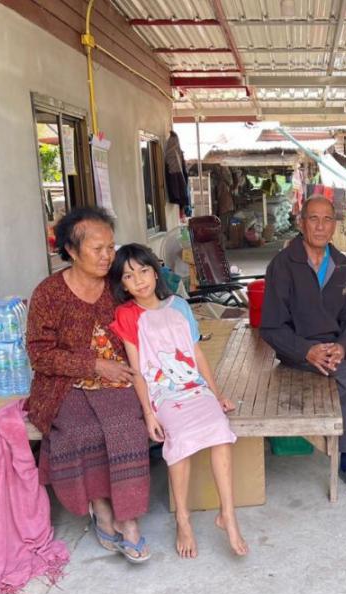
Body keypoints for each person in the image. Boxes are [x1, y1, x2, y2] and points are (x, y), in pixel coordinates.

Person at [26, 207, 151, 564]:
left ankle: (128, 519)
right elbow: (39, 354)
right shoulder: (49, 293)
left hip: (119, 378)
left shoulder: (118, 284)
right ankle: (102, 508)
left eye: (111, 247)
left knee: (126, 425)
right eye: (97, 249)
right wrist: (94, 365)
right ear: (71, 249)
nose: (107, 256)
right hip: (64, 383)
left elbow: (150, 310)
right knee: (81, 430)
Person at [108, 244, 248, 558]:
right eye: (129, 276)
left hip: (195, 388)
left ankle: (228, 514)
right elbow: (136, 370)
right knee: (180, 439)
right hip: (163, 395)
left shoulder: (180, 306)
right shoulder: (127, 315)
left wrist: (216, 394)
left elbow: (197, 354)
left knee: (220, 431)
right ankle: (182, 518)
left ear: (155, 273)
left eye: (144, 270)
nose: (139, 280)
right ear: (123, 284)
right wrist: (149, 414)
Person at [260, 194, 346, 493]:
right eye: (313, 219)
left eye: (327, 219)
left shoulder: (342, 265)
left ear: (334, 225)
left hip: (338, 344)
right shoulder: (283, 265)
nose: (320, 226)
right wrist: (306, 350)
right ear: (301, 223)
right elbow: (271, 327)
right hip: (299, 349)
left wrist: (342, 346)